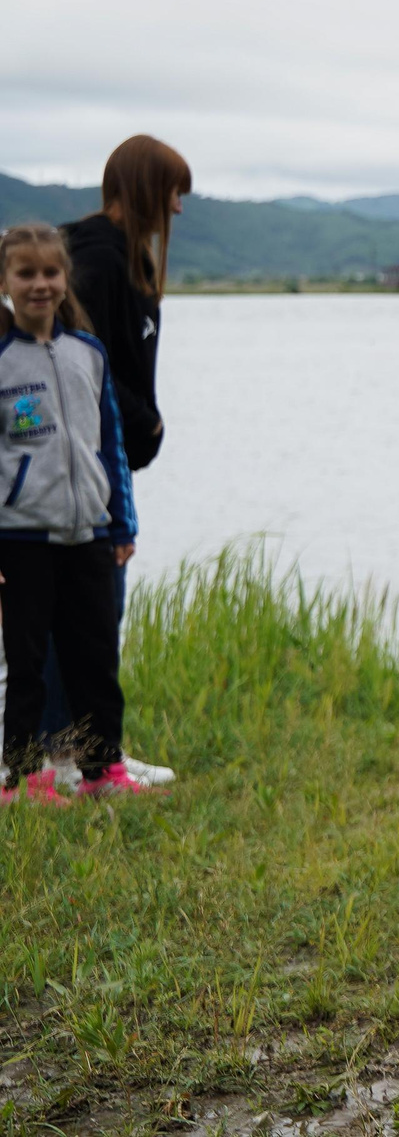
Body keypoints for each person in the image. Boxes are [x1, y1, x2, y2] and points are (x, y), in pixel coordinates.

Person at [48, 135, 190, 789]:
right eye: (172, 193)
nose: (178, 210)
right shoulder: (94, 260)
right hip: (81, 463)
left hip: (111, 463)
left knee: (104, 609)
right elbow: (85, 364)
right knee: (77, 608)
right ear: (142, 189)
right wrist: (144, 418)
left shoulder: (124, 258)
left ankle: (95, 748)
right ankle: (60, 754)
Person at [1, 223, 144, 801]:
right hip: (22, 539)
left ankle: (101, 773)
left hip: (89, 535)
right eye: (26, 273)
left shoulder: (89, 353)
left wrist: (122, 523)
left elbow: (111, 444)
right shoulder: (4, 362)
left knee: (95, 661)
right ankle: (23, 777)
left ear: (66, 279)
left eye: (50, 272)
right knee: (28, 666)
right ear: (6, 282)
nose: (40, 284)